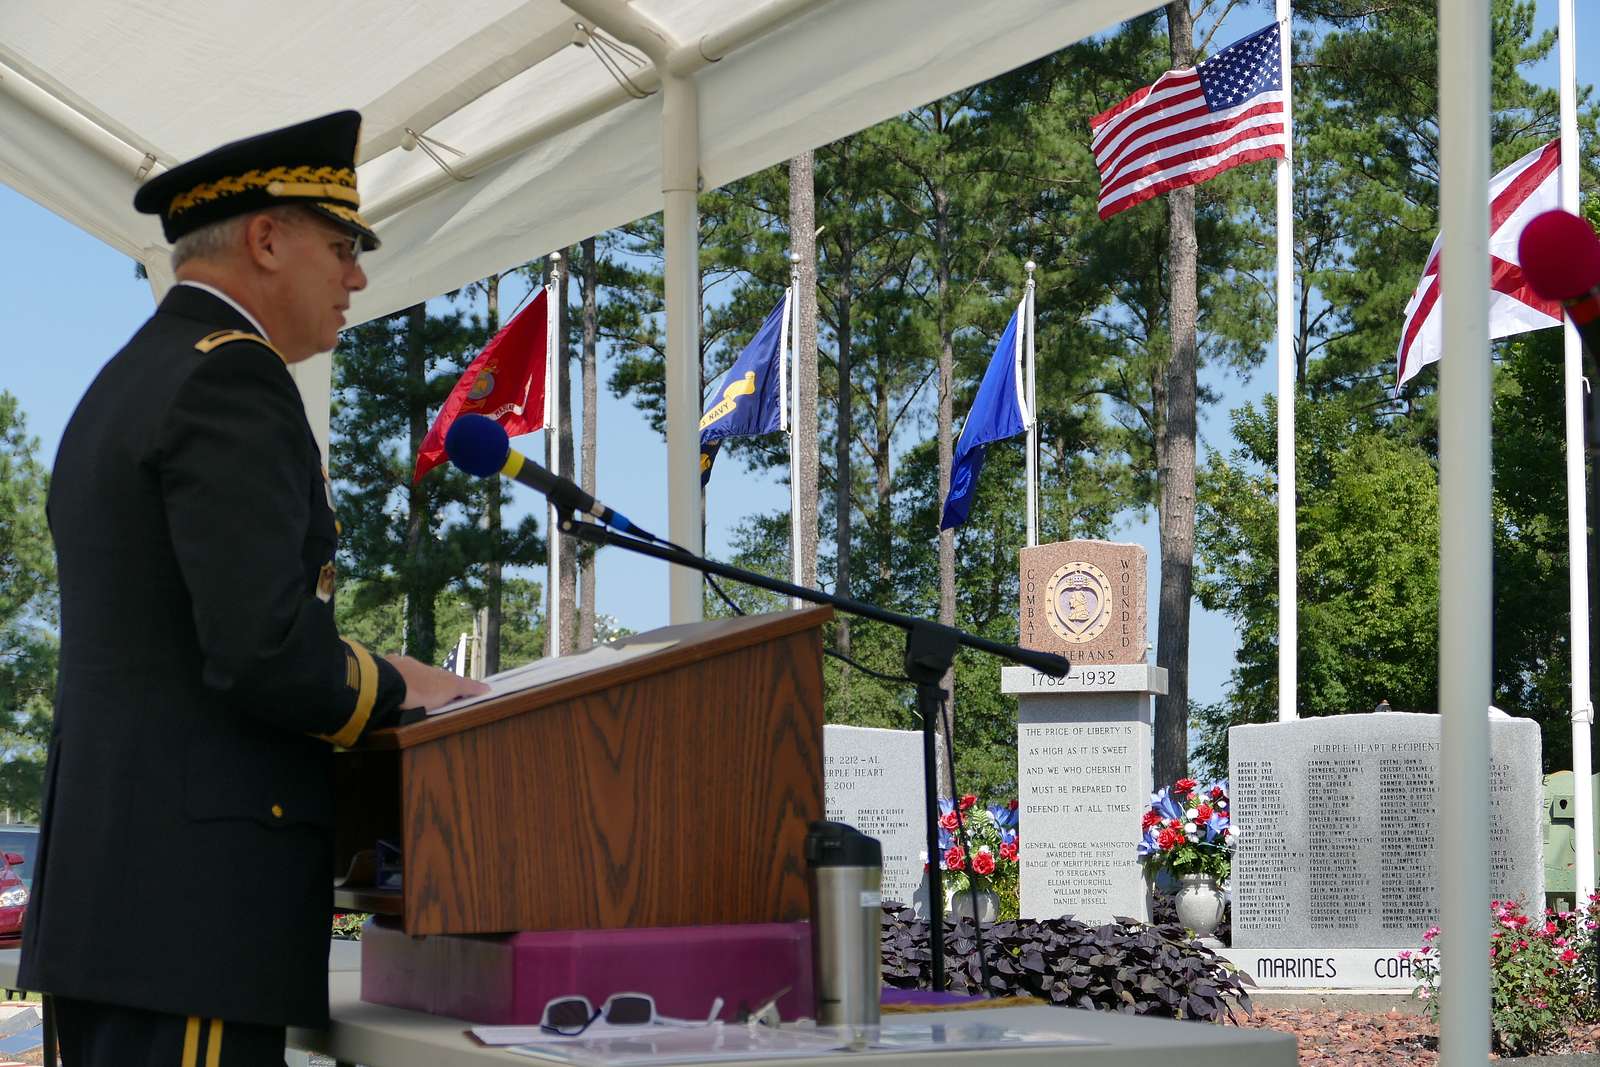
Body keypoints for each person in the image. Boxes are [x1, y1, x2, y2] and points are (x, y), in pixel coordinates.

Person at [18, 110, 488, 1066]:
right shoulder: (234, 382)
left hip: (118, 907)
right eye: (341, 243)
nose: (356, 275)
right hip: (192, 912)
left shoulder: (125, 381)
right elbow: (262, 648)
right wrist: (404, 683)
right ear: (267, 239)